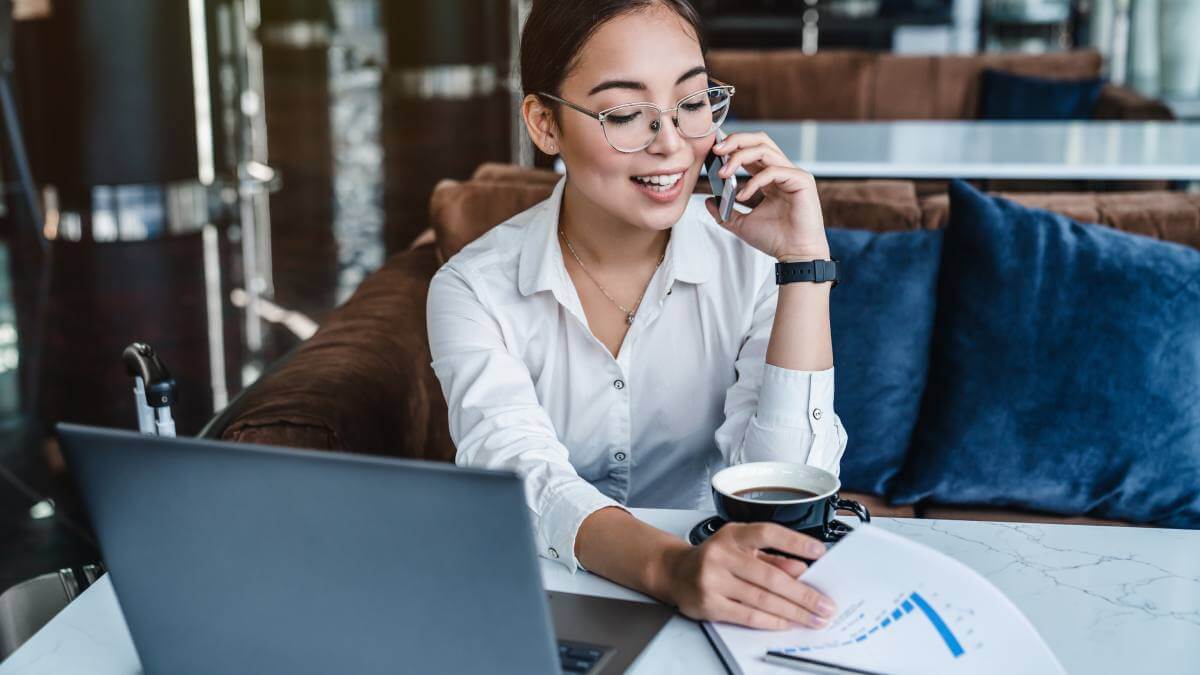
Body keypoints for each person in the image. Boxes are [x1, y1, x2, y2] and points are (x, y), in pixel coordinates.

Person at [427, 0, 847, 631]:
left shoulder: (754, 263)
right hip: (546, 596)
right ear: (544, 124)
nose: (672, 143)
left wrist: (804, 266)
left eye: (694, 101)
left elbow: (785, 492)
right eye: (624, 113)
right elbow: (516, 472)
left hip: (731, 594)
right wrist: (670, 570)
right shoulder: (473, 289)